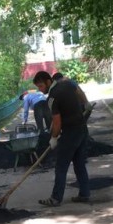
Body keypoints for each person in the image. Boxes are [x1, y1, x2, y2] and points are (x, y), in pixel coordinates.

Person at [37, 75, 90, 207]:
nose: (40, 89)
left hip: (70, 133)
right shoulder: (67, 84)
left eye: (41, 86)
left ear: (48, 81)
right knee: (79, 164)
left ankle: (55, 198)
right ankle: (84, 194)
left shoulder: (52, 98)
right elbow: (78, 90)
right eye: (38, 87)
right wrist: (86, 103)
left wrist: (54, 138)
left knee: (61, 166)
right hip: (82, 129)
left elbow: (57, 122)